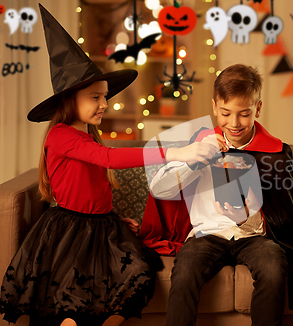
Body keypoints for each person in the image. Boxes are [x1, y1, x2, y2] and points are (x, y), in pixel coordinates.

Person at [0, 5, 216, 326]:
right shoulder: (60, 136)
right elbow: (109, 159)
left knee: (139, 277)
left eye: (104, 97)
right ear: (69, 99)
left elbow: (94, 182)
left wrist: (112, 216)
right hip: (69, 230)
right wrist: (176, 152)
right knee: (73, 296)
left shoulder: (90, 133)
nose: (104, 104)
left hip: (103, 227)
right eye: (94, 97)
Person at [148, 63, 293, 326]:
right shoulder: (198, 143)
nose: (234, 123)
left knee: (273, 268)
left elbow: (286, 216)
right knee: (184, 270)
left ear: (258, 108)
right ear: (214, 107)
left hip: (253, 238)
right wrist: (195, 160)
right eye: (225, 113)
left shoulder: (275, 152)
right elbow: (161, 190)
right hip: (206, 235)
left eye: (244, 114)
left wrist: (248, 216)